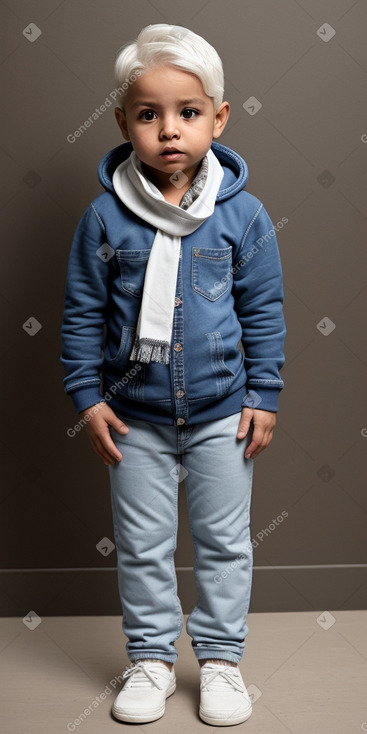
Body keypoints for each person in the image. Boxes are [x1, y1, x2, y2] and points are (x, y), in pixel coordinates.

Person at [61, 23, 286, 727]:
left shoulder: (242, 216)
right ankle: (151, 659)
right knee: (143, 543)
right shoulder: (103, 218)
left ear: (217, 118)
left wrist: (264, 395)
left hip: (222, 410)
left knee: (224, 541)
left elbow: (265, 312)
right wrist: (87, 400)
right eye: (148, 114)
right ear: (123, 119)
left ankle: (219, 661)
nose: (168, 131)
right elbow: (80, 313)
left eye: (187, 112)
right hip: (134, 413)